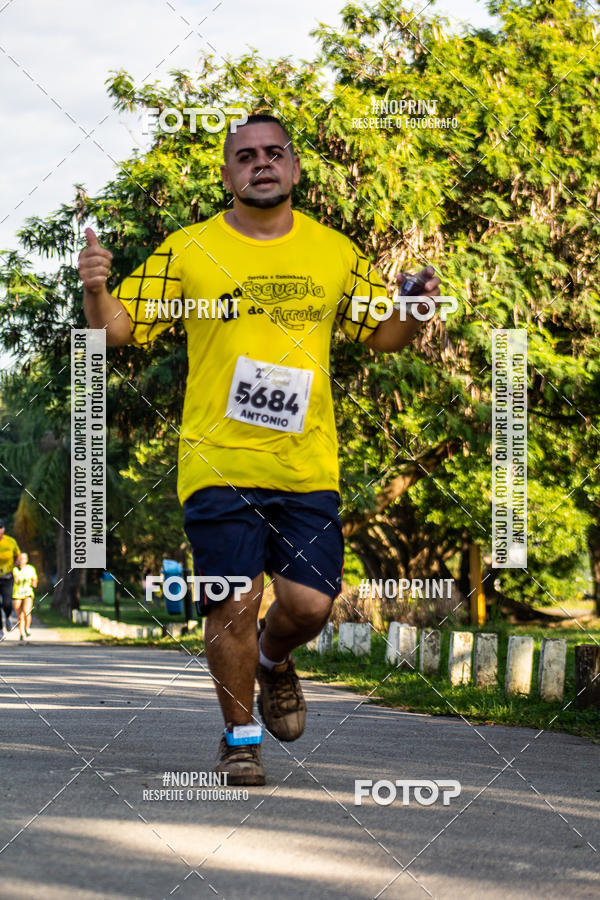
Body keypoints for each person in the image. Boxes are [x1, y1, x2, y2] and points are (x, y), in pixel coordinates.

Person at [78, 113, 440, 785]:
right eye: (246, 156)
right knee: (232, 600)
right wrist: (97, 290)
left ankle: (275, 660)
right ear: (228, 175)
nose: (262, 163)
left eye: (275, 153)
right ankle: (240, 739)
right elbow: (117, 333)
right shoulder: (189, 249)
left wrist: (416, 311)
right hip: (217, 460)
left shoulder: (334, 251)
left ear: (295, 169)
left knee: (308, 605)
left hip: (307, 464)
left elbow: (385, 337)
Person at [0, 519, 20, 638]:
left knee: (7, 603)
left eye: (0, 527)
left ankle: (7, 617)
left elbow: (18, 555)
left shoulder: (10, 541)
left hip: (7, 577)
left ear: (4, 529)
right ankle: (0, 630)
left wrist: (16, 563)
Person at [12, 552, 38, 641]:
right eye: (19, 558)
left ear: (26, 560)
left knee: (27, 611)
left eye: (23, 558)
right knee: (19, 615)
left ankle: (27, 628)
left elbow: (34, 580)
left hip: (28, 593)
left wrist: (34, 583)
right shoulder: (15, 569)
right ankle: (21, 633)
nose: (21, 560)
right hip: (17, 594)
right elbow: (16, 580)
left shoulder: (31, 568)